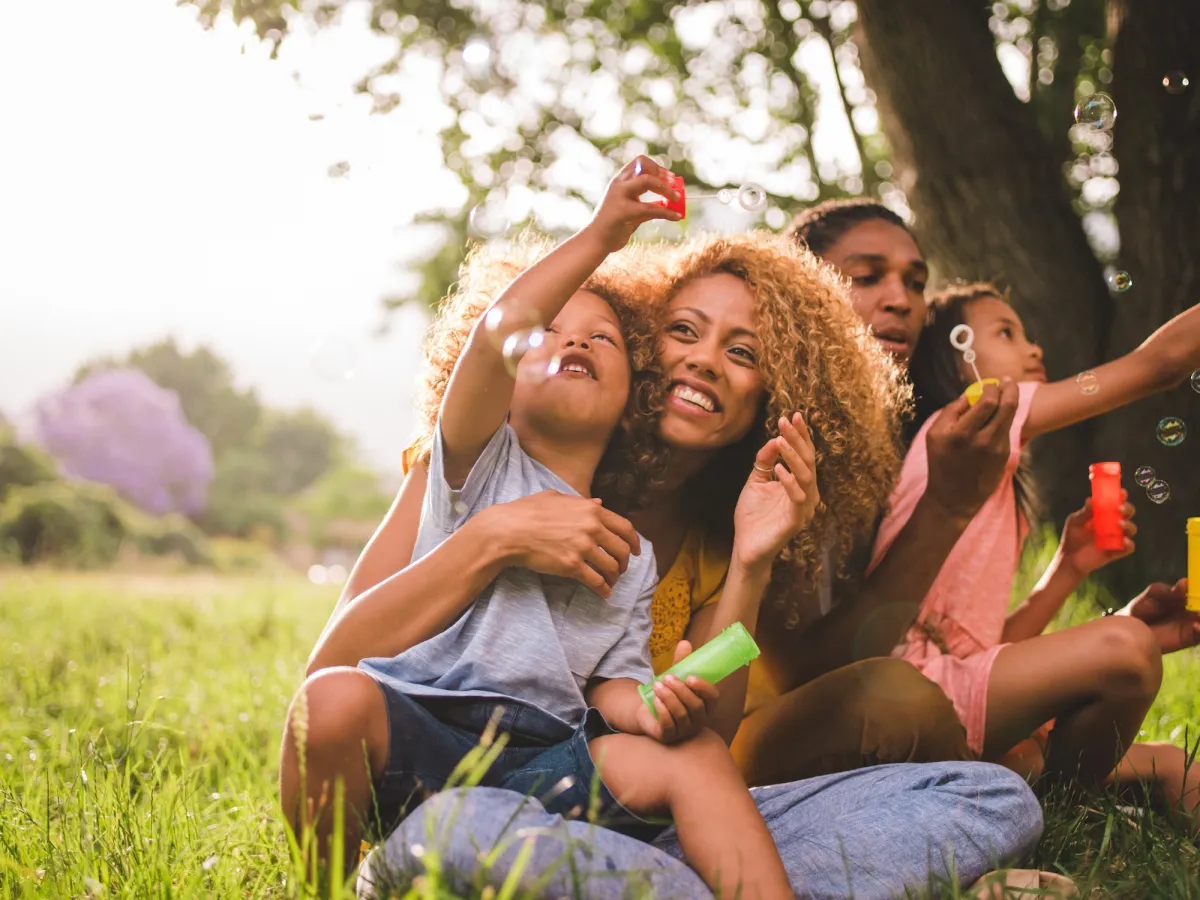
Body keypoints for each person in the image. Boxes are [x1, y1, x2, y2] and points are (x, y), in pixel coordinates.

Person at [317, 176, 1046, 896]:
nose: (703, 360)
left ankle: (659, 885)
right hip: (470, 794)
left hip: (622, 805)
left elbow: (704, 738)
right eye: (683, 331)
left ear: (779, 392)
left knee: (990, 797)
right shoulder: (486, 465)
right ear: (642, 345)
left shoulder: (711, 541)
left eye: (743, 352)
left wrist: (753, 563)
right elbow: (331, 683)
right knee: (469, 826)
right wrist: (497, 537)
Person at [287, 159, 815, 898]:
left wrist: (656, 705)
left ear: (635, 390)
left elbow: (613, 686)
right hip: (423, 730)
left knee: (697, 759)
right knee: (331, 700)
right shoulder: (471, 465)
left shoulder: (631, 554)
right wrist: (602, 235)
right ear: (504, 377)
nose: (571, 342)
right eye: (548, 333)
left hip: (549, 761)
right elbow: (499, 327)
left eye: (602, 339)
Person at [878, 279, 1200, 821]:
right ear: (955, 363)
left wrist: (1069, 568)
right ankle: (1069, 808)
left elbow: (981, 655)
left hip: (944, 694)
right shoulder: (973, 421)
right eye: (1006, 332)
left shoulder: (988, 479)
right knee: (1121, 648)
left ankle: (1061, 792)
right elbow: (1160, 364)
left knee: (1175, 768)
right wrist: (1124, 634)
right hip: (909, 699)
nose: (1034, 349)